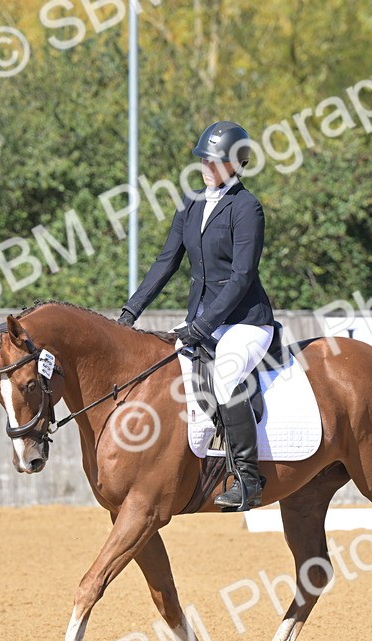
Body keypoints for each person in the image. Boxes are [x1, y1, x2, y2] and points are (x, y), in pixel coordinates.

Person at [116, 120, 275, 511]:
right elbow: (165, 262)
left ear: (235, 163)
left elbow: (242, 277)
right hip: (201, 321)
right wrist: (129, 313)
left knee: (224, 377)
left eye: (215, 159)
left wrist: (202, 327)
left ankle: (248, 480)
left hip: (245, 322)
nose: (206, 164)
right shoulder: (190, 203)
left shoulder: (246, 207)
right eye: (203, 157)